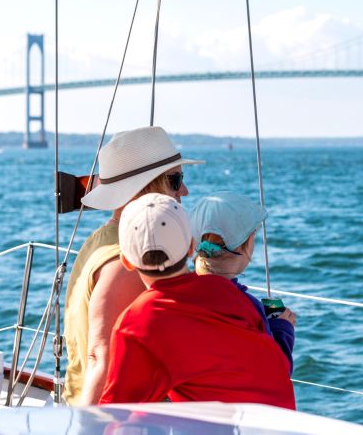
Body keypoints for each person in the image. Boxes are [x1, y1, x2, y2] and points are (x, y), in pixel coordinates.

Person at [98, 193, 295, 407]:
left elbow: (116, 409)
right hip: (275, 421)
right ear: (191, 247)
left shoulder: (136, 322)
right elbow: (273, 366)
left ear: (125, 260)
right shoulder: (231, 295)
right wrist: (282, 329)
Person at [63, 126, 202, 406]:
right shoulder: (127, 262)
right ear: (145, 186)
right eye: (176, 180)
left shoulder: (102, 239)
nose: (184, 190)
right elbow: (101, 358)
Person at [191, 194, 296, 371]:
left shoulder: (181, 292)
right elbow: (277, 371)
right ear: (247, 244)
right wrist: (282, 329)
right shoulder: (248, 308)